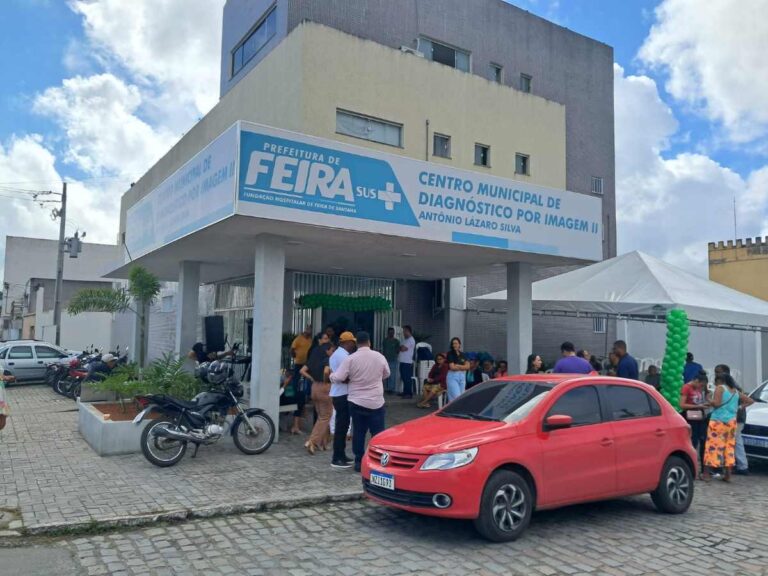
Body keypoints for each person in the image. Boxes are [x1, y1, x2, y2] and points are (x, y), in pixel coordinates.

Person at [330, 331, 389, 473]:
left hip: (356, 402)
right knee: (378, 433)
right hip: (376, 401)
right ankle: (379, 461)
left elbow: (339, 377)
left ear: (357, 344)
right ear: (369, 342)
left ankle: (358, 462)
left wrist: (330, 375)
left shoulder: (351, 359)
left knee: (359, 432)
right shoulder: (379, 357)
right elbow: (387, 374)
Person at [702, 373, 754, 482]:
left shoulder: (720, 388)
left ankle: (706, 475)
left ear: (720, 381)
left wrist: (708, 399)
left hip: (718, 421)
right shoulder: (735, 391)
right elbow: (750, 401)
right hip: (731, 422)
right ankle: (728, 475)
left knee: (712, 446)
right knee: (729, 447)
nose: (715, 384)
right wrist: (739, 407)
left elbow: (716, 404)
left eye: (715, 382)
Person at [300, 335, 333, 455]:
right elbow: (326, 371)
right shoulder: (327, 360)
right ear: (327, 350)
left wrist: (312, 379)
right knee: (325, 417)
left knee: (321, 417)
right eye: (331, 350)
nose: (332, 353)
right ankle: (312, 441)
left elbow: (302, 371)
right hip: (324, 388)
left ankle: (322, 443)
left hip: (314, 388)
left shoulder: (314, 358)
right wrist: (327, 380)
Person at [329, 331, 356, 469]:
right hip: (342, 394)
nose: (354, 344)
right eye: (352, 342)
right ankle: (337, 457)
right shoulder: (343, 356)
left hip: (339, 393)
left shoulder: (340, 354)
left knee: (343, 425)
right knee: (341, 426)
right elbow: (344, 377)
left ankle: (341, 454)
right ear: (346, 342)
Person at [715, 364, 749, 475]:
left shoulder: (732, 387)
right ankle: (736, 465)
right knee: (733, 441)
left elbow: (746, 400)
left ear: (725, 373)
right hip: (732, 418)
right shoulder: (728, 386)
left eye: (718, 372)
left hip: (736, 418)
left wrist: (739, 408)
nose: (716, 374)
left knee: (735, 441)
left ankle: (741, 466)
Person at [680, 371, 711, 474]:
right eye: (701, 385)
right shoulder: (686, 388)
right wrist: (698, 406)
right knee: (693, 442)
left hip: (699, 416)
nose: (701, 388)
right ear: (696, 381)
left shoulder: (698, 389)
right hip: (691, 416)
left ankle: (703, 468)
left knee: (703, 440)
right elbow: (682, 405)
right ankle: (692, 467)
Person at [288, 326, 313, 435]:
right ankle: (298, 394)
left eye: (310, 330)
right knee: (298, 385)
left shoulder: (311, 340)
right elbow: (292, 350)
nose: (309, 331)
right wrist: (295, 356)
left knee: (305, 385)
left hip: (307, 364)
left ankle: (305, 395)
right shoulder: (298, 339)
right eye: (308, 329)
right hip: (299, 364)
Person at [446, 337, 470, 402]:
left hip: (462, 376)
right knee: (457, 397)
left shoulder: (463, 354)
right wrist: (463, 367)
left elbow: (468, 366)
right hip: (453, 376)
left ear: (459, 344)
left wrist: (458, 365)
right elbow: (452, 367)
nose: (454, 345)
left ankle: (455, 411)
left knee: (461, 397)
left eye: (456, 343)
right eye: (453, 344)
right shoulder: (450, 354)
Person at [397, 325, 416, 399]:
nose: (403, 333)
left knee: (407, 378)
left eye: (404, 331)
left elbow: (403, 348)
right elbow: (399, 348)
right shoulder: (404, 339)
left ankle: (409, 393)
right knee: (403, 377)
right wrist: (400, 347)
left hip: (407, 362)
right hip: (402, 361)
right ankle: (405, 392)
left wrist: (401, 347)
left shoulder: (411, 340)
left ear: (408, 331)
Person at [381, 327, 400, 394]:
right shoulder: (385, 340)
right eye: (390, 332)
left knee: (392, 375)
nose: (391, 333)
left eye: (392, 332)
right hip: (385, 360)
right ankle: (387, 388)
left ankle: (391, 389)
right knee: (386, 374)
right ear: (388, 332)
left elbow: (398, 350)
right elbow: (384, 349)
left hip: (393, 360)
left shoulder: (396, 341)